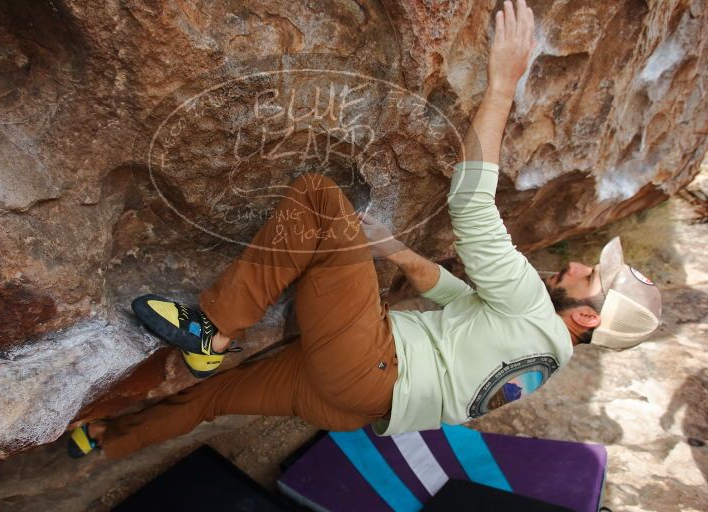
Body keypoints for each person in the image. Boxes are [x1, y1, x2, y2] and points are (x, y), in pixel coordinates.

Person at [67, 0, 661, 459]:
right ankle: (102, 440)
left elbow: (471, 203)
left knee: (320, 198)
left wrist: (503, 80)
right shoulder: (544, 358)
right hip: (352, 405)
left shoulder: (533, 303)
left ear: (586, 316)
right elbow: (455, 297)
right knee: (214, 397)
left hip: (368, 364)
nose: (582, 264)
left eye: (593, 276)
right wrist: (397, 252)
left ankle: (211, 330)